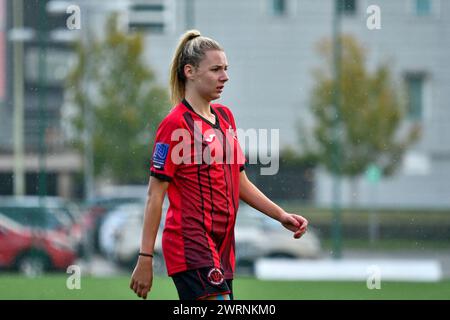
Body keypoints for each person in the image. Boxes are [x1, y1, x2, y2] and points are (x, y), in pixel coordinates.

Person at [130, 29, 308, 300]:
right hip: (190, 243)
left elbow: (240, 183)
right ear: (189, 71)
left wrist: (281, 215)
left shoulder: (225, 118)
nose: (225, 77)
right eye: (215, 69)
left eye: (225, 69)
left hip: (223, 247)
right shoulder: (175, 124)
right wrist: (145, 257)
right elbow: (155, 194)